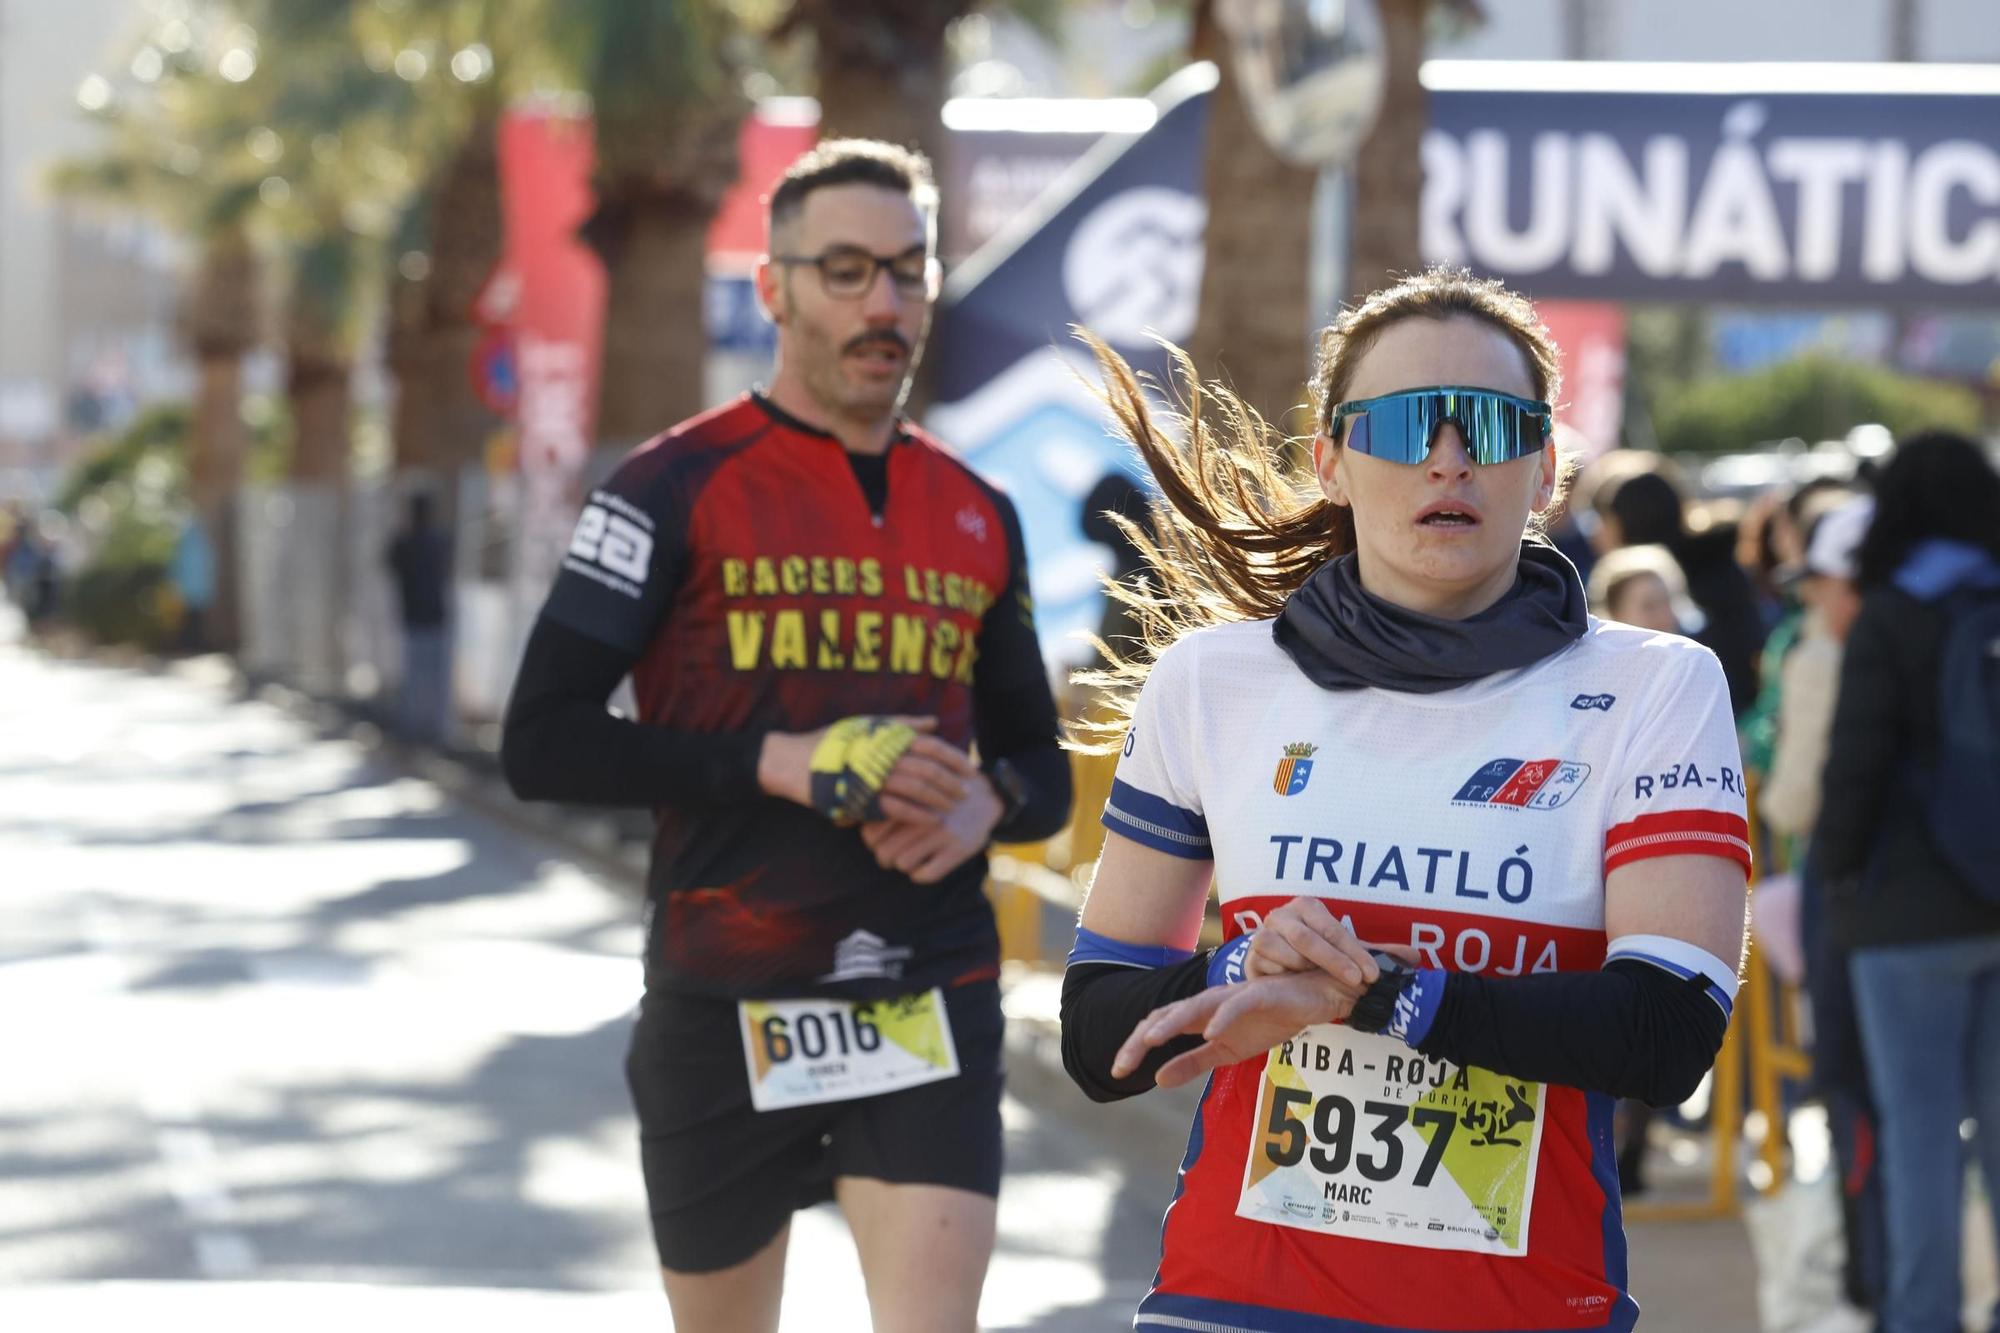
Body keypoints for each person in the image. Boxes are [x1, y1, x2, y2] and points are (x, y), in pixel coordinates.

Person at [1060, 267, 1750, 1332]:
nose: (1446, 456)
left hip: (1521, 1309)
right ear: (1330, 460)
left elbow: (1663, 1034)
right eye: (1399, 425)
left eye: (1489, 423)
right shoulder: (1212, 681)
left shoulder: (1655, 685)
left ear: (1546, 466)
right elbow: (1095, 1033)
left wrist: (1375, 994)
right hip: (1231, 1303)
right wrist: (1245, 967)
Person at [499, 139, 1070, 1333]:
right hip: (722, 997)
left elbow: (1039, 770)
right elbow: (541, 742)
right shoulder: (669, 487)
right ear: (774, 289)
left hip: (924, 991)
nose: (884, 304)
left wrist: (986, 804)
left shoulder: (978, 512)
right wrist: (773, 764)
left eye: (908, 273)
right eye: (846, 270)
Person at [1809, 432, 2000, 1333]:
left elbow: (1855, 768)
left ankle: (1923, 1318)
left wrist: (1839, 880)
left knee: (1920, 1139)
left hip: (1905, 915)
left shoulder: (1890, 612)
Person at [1590, 456, 1766, 715]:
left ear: (1629, 520)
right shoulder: (1721, 565)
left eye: (1605, 519)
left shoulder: (1663, 579)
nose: (1598, 532)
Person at [384, 492, 453, 743]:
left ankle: (424, 728)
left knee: (421, 677)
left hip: (422, 618)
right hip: (426, 618)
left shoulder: (413, 543)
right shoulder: (425, 542)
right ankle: (425, 728)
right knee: (427, 678)